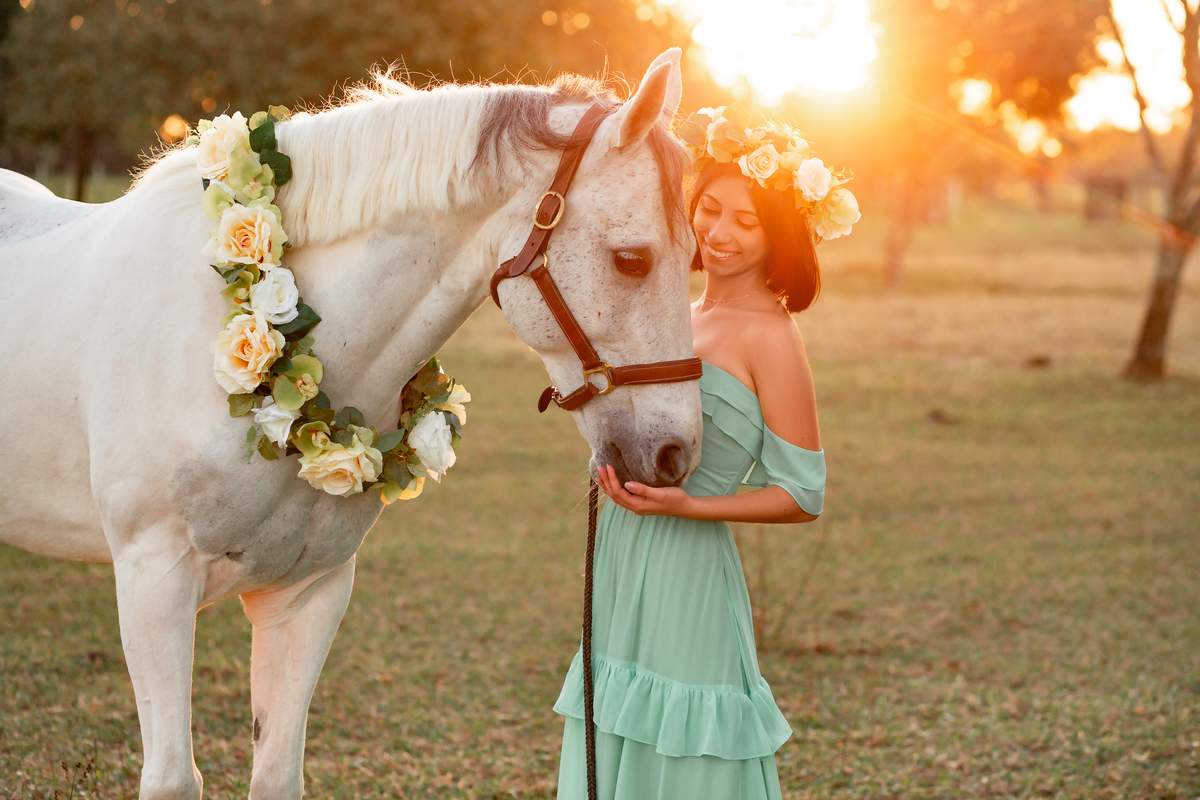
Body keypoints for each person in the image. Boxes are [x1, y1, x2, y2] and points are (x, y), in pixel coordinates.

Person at [552, 110, 860, 800]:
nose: (720, 233)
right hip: (619, 552)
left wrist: (693, 505)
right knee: (617, 727)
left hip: (687, 568)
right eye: (711, 210)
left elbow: (802, 492)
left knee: (686, 746)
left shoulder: (771, 339)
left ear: (778, 236)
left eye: (746, 223)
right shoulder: (673, 316)